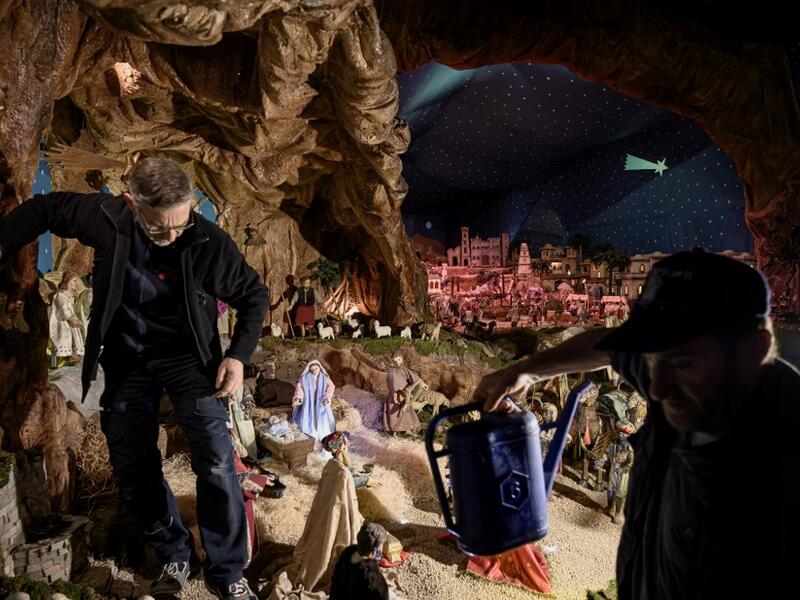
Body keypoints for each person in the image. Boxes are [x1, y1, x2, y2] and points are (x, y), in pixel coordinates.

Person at [0, 157, 269, 600]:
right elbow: (45, 209)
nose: (172, 237)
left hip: (189, 360)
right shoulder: (106, 217)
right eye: (160, 229)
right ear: (131, 203)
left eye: (180, 224)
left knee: (217, 459)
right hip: (127, 359)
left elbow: (253, 296)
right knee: (130, 461)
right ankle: (174, 551)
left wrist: (238, 357)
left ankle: (226, 570)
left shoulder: (205, 239)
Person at [473, 249, 797, 600]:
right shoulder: (693, 382)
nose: (656, 387)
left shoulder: (781, 468)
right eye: (654, 360)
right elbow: (608, 347)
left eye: (683, 364)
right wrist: (523, 371)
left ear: (754, 351)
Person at [329, 522, 390, 600]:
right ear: (376, 548)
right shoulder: (372, 576)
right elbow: (383, 596)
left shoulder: (347, 553)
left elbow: (335, 582)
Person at [292, 359, 336, 443]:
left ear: (319, 367)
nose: (314, 371)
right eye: (312, 369)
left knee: (322, 417)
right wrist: (298, 397)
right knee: (310, 418)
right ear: (309, 370)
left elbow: (331, 387)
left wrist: (327, 397)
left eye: (316, 368)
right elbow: (299, 389)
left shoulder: (324, 377)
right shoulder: (305, 378)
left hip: (320, 401)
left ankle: (323, 435)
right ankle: (311, 434)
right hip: (309, 402)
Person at [48, 271, 85, 365]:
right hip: (62, 320)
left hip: (70, 318)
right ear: (67, 281)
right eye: (73, 281)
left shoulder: (71, 295)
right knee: (68, 328)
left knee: (76, 328)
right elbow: (64, 310)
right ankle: (69, 353)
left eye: (76, 281)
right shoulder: (60, 295)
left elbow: (72, 310)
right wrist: (71, 319)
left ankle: (75, 351)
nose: (74, 284)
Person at [383, 352, 421, 433]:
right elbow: (392, 382)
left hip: (405, 395)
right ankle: (395, 430)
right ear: (393, 361)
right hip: (395, 396)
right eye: (395, 361)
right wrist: (398, 390)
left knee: (406, 412)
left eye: (399, 360)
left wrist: (419, 385)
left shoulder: (405, 370)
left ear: (402, 359)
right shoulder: (392, 372)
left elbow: (415, 378)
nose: (398, 362)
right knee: (394, 414)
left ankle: (407, 429)